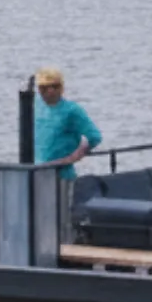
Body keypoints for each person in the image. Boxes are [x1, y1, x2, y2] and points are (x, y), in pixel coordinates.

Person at [32, 66, 102, 242]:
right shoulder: (36, 107)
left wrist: (76, 156)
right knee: (39, 218)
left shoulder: (72, 110)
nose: (50, 91)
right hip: (37, 172)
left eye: (54, 86)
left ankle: (64, 250)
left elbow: (94, 136)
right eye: (44, 88)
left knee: (61, 220)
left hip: (61, 174)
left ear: (61, 88)